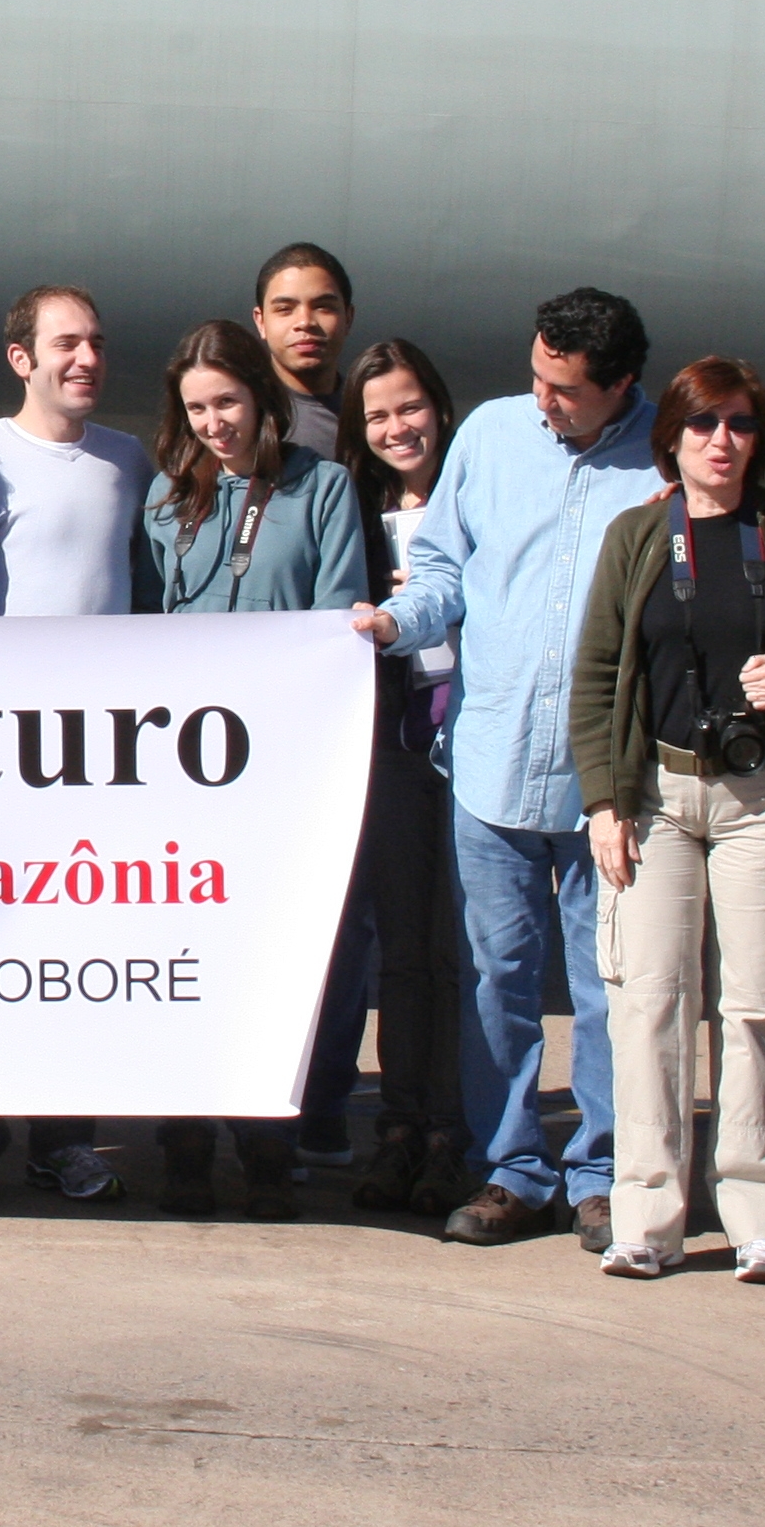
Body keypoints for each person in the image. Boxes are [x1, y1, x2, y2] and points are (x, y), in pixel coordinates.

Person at [353, 287, 656, 1254]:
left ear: (621, 385)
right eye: (536, 377)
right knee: (497, 982)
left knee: (607, 986)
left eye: (565, 390)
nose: (543, 401)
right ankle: (511, 1169)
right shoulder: (490, 435)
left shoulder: (663, 457)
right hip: (489, 762)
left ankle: (601, 1175)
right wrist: (396, 623)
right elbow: (443, 570)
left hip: (607, 784)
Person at [569, 357, 765, 1285]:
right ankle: (646, 1218)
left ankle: (760, 1216)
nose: (722, 442)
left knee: (760, 1008)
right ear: (673, 437)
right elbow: (597, 672)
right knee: (648, 1006)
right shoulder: (637, 536)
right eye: (703, 424)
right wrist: (603, 801)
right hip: (657, 795)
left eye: (739, 424)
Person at [129, 321, 370, 1220]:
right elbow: (144, 625)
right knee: (187, 957)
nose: (214, 424)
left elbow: (335, 618)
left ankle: (269, 1142)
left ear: (261, 399)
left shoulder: (323, 488)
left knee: (271, 960)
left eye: (226, 402)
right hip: (184, 774)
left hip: (281, 769)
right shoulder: (166, 500)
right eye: (196, 409)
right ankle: (186, 1137)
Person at [0, 285, 153, 1208]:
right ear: (21, 359)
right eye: (66, 344)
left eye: (95, 342)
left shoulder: (129, 460)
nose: (86, 359)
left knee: (76, 957)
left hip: (98, 760)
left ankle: (66, 1140)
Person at [333, 340, 474, 1219]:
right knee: (406, 956)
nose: (397, 428)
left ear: (440, 409)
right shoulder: (356, 510)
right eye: (378, 415)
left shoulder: (477, 501)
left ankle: (453, 1133)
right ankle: (401, 1127)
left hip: (472, 748)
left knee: (459, 954)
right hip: (392, 750)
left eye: (410, 407)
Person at [252, 242, 357, 458]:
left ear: (348, 317)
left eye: (323, 307)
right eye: (285, 309)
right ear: (260, 321)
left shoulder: (375, 415)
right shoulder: (238, 414)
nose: (305, 322)